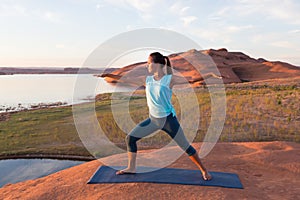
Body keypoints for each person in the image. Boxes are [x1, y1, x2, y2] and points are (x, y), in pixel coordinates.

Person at [101, 52, 222, 180]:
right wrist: (109, 75)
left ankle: (204, 170)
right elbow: (125, 78)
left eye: (149, 63)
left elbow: (192, 79)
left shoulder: (170, 79)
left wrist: (210, 75)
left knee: (185, 146)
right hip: (153, 120)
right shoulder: (147, 79)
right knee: (130, 138)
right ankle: (131, 167)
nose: (147, 66)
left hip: (168, 121)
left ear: (157, 64)